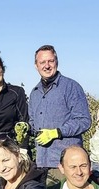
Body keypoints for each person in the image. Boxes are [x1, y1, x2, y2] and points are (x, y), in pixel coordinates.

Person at [29, 45, 91, 174]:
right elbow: (33, 123)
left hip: (66, 164)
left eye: (50, 61)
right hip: (41, 162)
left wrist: (57, 133)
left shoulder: (71, 87)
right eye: (42, 62)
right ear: (36, 66)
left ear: (56, 62)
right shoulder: (35, 93)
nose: (47, 66)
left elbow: (84, 121)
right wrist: (26, 128)